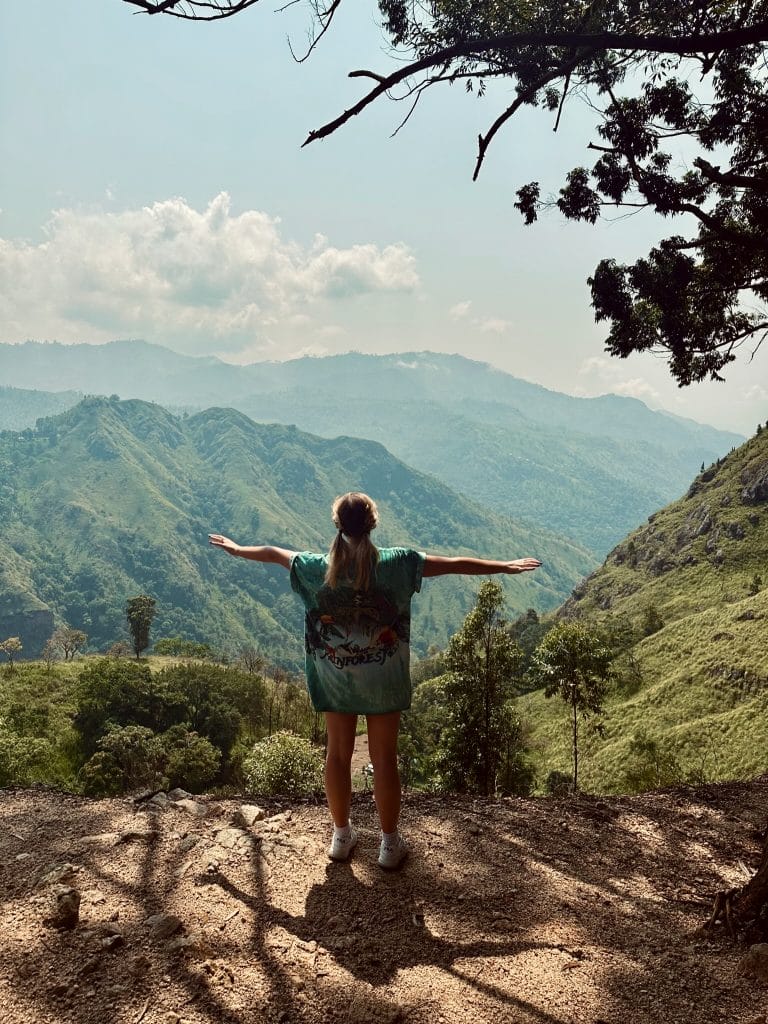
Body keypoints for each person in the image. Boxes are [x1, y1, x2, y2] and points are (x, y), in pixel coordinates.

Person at [209, 491, 541, 870]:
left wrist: (236, 549)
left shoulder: (315, 566)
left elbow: (272, 552)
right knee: (384, 759)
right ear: (373, 523)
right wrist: (503, 566)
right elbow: (453, 564)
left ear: (337, 524)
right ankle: (388, 844)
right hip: (383, 677)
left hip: (334, 675)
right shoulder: (398, 564)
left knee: (336, 755)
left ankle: (341, 836)